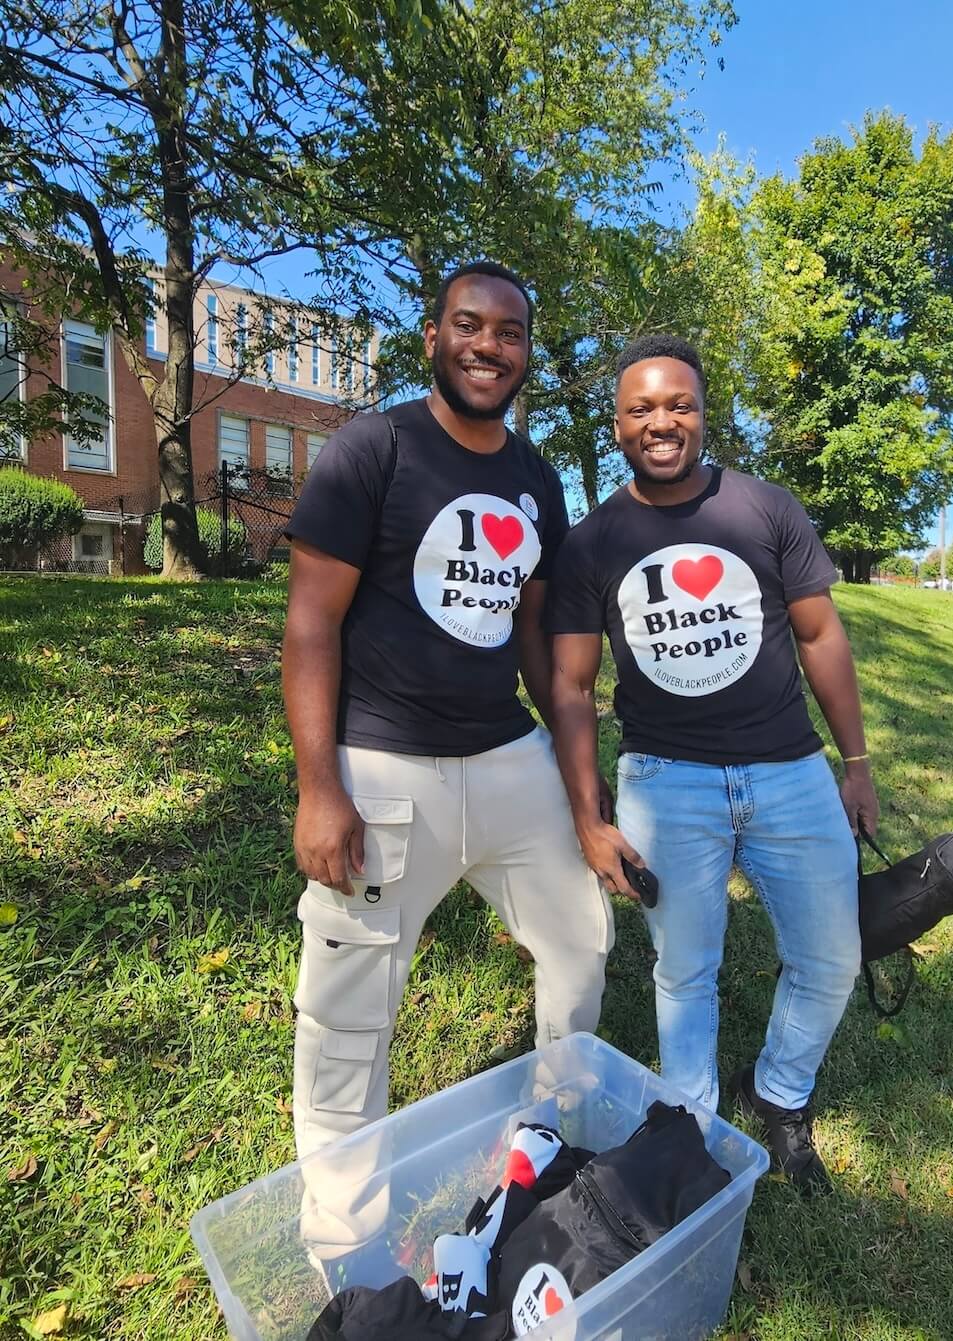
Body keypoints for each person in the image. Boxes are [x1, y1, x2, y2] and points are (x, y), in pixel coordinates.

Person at [282, 261, 613, 1273]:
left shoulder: (537, 479)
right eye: (468, 326)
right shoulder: (372, 449)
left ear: (527, 354)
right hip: (381, 767)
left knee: (582, 944)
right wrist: (320, 786)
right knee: (350, 1009)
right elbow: (308, 624)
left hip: (505, 757)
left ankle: (541, 1146)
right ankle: (344, 1239)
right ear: (433, 337)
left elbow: (538, 646)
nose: (488, 346)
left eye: (509, 333)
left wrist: (583, 802)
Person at [547, 334, 878, 1194]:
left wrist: (857, 761)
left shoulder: (765, 509)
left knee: (832, 956)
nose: (663, 421)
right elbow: (574, 689)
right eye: (642, 408)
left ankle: (779, 1093)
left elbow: (820, 635)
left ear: (704, 412)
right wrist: (589, 816)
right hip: (666, 782)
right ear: (617, 424)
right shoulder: (591, 543)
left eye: (680, 404)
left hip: (791, 771)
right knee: (684, 971)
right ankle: (687, 1129)